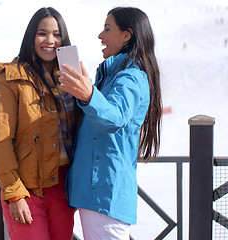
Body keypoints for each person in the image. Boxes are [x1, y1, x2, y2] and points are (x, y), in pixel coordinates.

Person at [58, 7, 162, 239]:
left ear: (127, 35)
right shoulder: (113, 75)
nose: (100, 36)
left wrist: (88, 95)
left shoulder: (131, 77)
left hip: (104, 192)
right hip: (97, 191)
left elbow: (114, 117)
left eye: (107, 29)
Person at [0, 7, 79, 240]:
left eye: (56, 34)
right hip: (27, 189)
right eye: (42, 33)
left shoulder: (71, 77)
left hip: (63, 188)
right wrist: (14, 194)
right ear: (30, 37)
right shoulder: (9, 79)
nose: (50, 40)